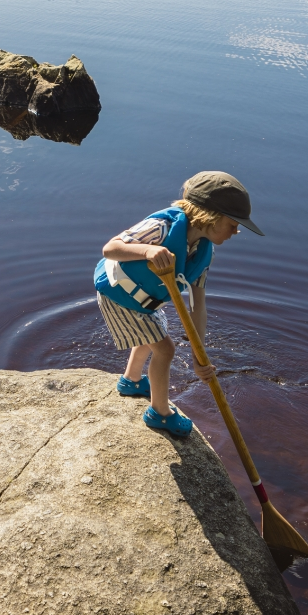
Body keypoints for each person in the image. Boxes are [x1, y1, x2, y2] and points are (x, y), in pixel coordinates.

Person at [94, 171, 264, 437]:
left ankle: (131, 381)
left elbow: (198, 306)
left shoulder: (205, 252)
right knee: (164, 349)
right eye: (233, 224)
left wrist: (200, 358)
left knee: (153, 333)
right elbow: (110, 249)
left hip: (146, 302)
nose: (237, 231)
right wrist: (147, 250)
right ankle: (159, 414)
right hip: (119, 292)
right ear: (211, 216)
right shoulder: (161, 228)